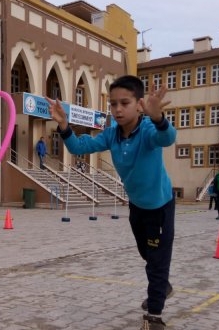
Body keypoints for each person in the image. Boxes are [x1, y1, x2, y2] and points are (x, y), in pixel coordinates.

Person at [47, 75, 176, 330]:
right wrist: (64, 126)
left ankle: (154, 316)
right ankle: (162, 287)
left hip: (160, 207)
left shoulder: (149, 129)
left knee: (157, 262)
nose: (117, 109)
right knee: (148, 256)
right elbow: (78, 146)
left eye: (124, 103)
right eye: (113, 104)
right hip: (137, 207)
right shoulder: (111, 135)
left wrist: (159, 118)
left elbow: (167, 138)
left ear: (139, 105)